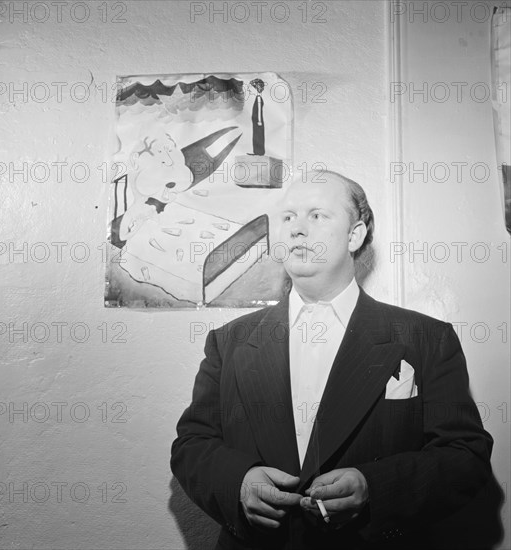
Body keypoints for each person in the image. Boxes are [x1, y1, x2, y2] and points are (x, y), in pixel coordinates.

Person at [171, 170, 499, 549]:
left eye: (317, 215)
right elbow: (192, 445)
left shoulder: (427, 338)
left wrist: (374, 487)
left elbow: (465, 456)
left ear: (354, 235)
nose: (296, 229)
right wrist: (238, 483)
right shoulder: (228, 342)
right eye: (288, 217)